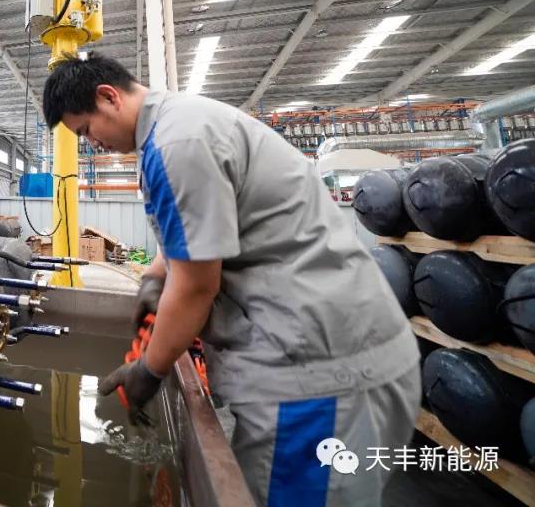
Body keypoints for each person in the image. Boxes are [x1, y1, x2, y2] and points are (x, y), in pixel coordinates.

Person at [42, 54, 420, 506]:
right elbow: (197, 228)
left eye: (86, 130)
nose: (92, 144)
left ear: (108, 97)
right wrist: (154, 277)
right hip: (336, 353)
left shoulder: (177, 144)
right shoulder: (177, 127)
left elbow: (196, 287)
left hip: (318, 379)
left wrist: (149, 369)